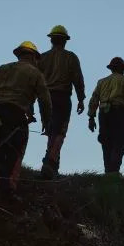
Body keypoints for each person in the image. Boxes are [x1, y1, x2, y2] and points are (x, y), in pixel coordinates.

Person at [0, 41, 51, 196]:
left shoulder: (3, 68)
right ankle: (6, 188)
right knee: (13, 150)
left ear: (20, 55)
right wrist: (46, 121)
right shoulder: (35, 73)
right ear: (33, 57)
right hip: (16, 114)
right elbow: (45, 100)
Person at [38, 25, 85, 179]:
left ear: (51, 40)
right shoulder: (71, 57)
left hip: (45, 98)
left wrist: (30, 103)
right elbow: (78, 79)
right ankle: (50, 161)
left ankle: (52, 166)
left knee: (51, 130)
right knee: (59, 132)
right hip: (62, 98)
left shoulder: (42, 58)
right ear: (65, 41)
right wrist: (81, 98)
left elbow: (35, 80)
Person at [87, 57, 124, 175]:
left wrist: (91, 117)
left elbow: (94, 100)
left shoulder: (102, 82)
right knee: (120, 141)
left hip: (103, 114)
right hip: (118, 113)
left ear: (111, 69)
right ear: (123, 69)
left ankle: (108, 171)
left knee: (106, 142)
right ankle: (114, 170)